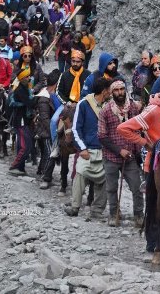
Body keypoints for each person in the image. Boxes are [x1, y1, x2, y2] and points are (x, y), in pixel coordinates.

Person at [118, 73, 160, 251]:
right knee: (154, 204)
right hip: (154, 165)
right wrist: (145, 143)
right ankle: (152, 243)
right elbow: (124, 128)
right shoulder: (153, 110)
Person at [97, 80, 143, 227]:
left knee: (136, 187)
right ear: (112, 93)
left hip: (130, 157)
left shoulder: (134, 108)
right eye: (116, 90)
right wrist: (119, 150)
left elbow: (139, 129)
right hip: (111, 156)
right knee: (111, 188)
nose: (120, 93)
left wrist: (136, 151)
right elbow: (102, 137)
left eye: (122, 89)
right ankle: (113, 213)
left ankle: (139, 215)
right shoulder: (105, 111)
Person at [65, 77, 112, 218]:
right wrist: (82, 148)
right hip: (87, 150)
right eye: (109, 90)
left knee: (105, 180)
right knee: (79, 175)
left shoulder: (110, 106)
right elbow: (76, 129)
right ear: (104, 92)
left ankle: (97, 210)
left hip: (104, 151)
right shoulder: (83, 104)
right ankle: (75, 207)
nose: (111, 93)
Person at [50, 49, 91, 145]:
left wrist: (81, 102)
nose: (75, 64)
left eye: (78, 62)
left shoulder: (88, 75)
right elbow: (58, 91)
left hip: (84, 103)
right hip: (67, 104)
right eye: (73, 61)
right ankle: (55, 146)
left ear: (82, 62)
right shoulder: (64, 75)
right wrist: (67, 103)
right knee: (53, 121)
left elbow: (91, 91)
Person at [8, 66, 36, 176]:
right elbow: (30, 103)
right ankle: (14, 166)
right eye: (26, 77)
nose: (29, 79)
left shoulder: (24, 88)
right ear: (21, 78)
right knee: (26, 146)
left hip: (24, 121)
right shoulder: (20, 90)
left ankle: (20, 168)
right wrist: (38, 97)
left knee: (22, 145)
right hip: (21, 121)